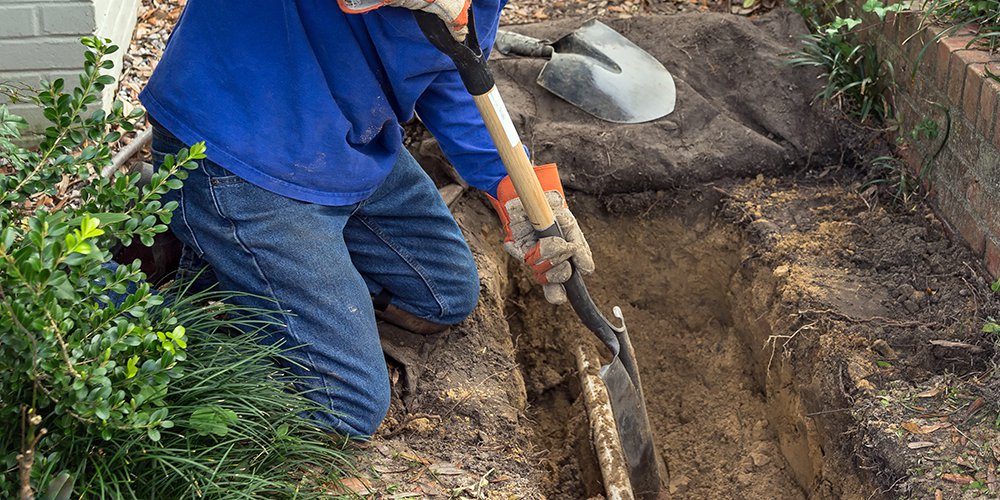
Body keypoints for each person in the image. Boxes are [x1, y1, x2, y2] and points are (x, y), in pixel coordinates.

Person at [140, 0, 594, 439]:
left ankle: (233, 255)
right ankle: (173, 278)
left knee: (444, 295)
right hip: (241, 141)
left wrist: (512, 186)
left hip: (346, 140)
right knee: (344, 405)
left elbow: (455, 69)